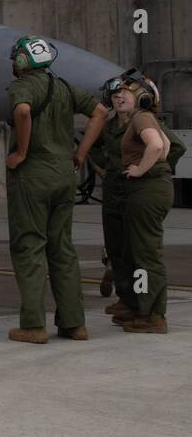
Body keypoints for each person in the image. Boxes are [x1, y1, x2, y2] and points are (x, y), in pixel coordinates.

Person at [4, 36, 108, 344]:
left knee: (30, 247)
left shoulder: (22, 86)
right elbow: (101, 112)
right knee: (62, 249)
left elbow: (22, 111)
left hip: (33, 176)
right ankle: (74, 324)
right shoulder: (63, 86)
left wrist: (21, 152)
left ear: (23, 61)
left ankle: (34, 325)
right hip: (65, 174)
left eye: (15, 59)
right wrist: (80, 153)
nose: (12, 64)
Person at [110, 77, 174, 333]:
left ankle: (153, 316)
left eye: (127, 91)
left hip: (146, 190)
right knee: (144, 251)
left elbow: (157, 146)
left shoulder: (140, 118)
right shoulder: (146, 118)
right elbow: (167, 145)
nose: (120, 95)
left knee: (146, 254)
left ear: (143, 96)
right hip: (153, 188)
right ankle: (144, 310)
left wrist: (140, 171)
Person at [86, 77, 133, 314]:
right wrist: (101, 166)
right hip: (113, 188)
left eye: (123, 94)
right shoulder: (109, 126)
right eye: (115, 96)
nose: (119, 98)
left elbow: (172, 147)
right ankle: (124, 298)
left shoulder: (143, 122)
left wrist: (155, 173)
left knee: (135, 246)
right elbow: (93, 144)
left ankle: (140, 302)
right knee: (114, 242)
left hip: (136, 190)